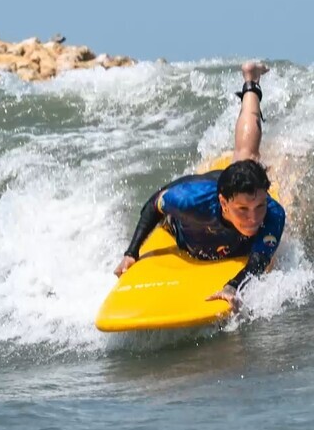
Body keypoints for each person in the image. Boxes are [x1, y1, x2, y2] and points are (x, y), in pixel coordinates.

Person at [112, 61, 286, 310]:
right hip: (192, 198)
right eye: (243, 210)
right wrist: (131, 252)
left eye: (259, 206)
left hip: (228, 187)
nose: (254, 218)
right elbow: (155, 204)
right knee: (243, 158)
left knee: (248, 157)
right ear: (223, 203)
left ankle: (251, 80)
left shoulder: (273, 214)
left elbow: (259, 260)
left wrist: (232, 287)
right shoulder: (190, 202)